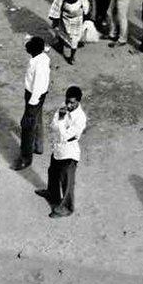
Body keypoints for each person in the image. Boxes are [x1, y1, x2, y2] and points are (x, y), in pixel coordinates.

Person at [36, 86, 87, 218]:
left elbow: (64, 135)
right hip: (58, 149)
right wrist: (59, 124)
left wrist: (60, 121)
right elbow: (52, 126)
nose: (68, 105)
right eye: (67, 101)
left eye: (72, 103)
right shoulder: (63, 107)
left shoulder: (80, 119)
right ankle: (52, 194)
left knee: (67, 181)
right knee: (52, 172)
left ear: (78, 102)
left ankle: (67, 207)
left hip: (69, 153)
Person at [13, 36, 51, 171]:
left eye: (28, 46)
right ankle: (38, 146)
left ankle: (26, 158)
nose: (26, 47)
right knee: (37, 119)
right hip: (39, 95)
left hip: (35, 96)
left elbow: (38, 86)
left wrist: (32, 104)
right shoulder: (42, 57)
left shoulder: (38, 65)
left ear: (34, 50)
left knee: (27, 125)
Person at [49, 0, 90, 64]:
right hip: (78, 15)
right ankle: (72, 57)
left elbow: (57, 3)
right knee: (75, 36)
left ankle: (60, 46)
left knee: (61, 29)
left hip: (66, 15)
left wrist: (54, 17)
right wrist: (86, 11)